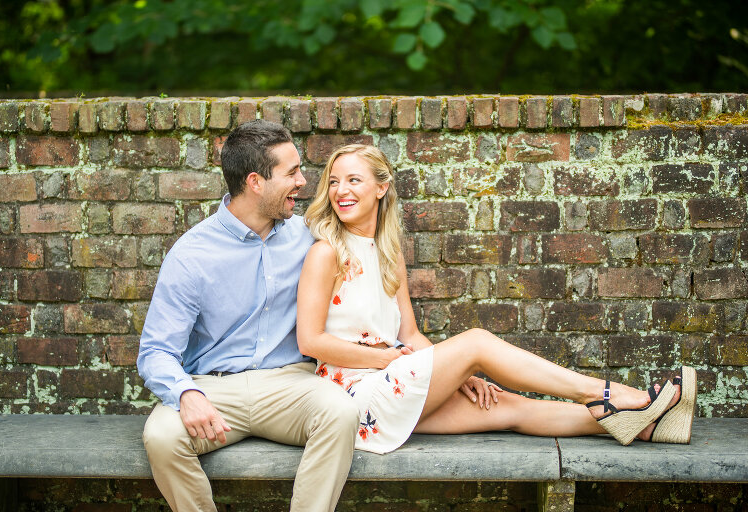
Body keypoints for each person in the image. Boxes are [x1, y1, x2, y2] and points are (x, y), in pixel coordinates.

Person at [296, 144, 697, 454]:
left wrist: (454, 371)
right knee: (477, 341)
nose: (340, 191)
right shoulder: (327, 252)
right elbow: (310, 342)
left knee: (505, 406)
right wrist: (391, 358)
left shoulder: (388, 253)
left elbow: (411, 334)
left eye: (353, 180)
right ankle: (610, 393)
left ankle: (644, 423)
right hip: (353, 396)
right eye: (333, 181)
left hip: (395, 380)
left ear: (382, 188)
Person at [137, 120, 360, 512]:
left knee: (340, 412)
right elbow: (156, 350)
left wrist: (420, 364)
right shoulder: (191, 255)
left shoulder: (309, 238)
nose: (303, 182)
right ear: (255, 182)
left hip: (290, 384)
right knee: (161, 437)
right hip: (213, 388)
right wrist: (186, 393)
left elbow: (367, 295)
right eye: (291, 172)